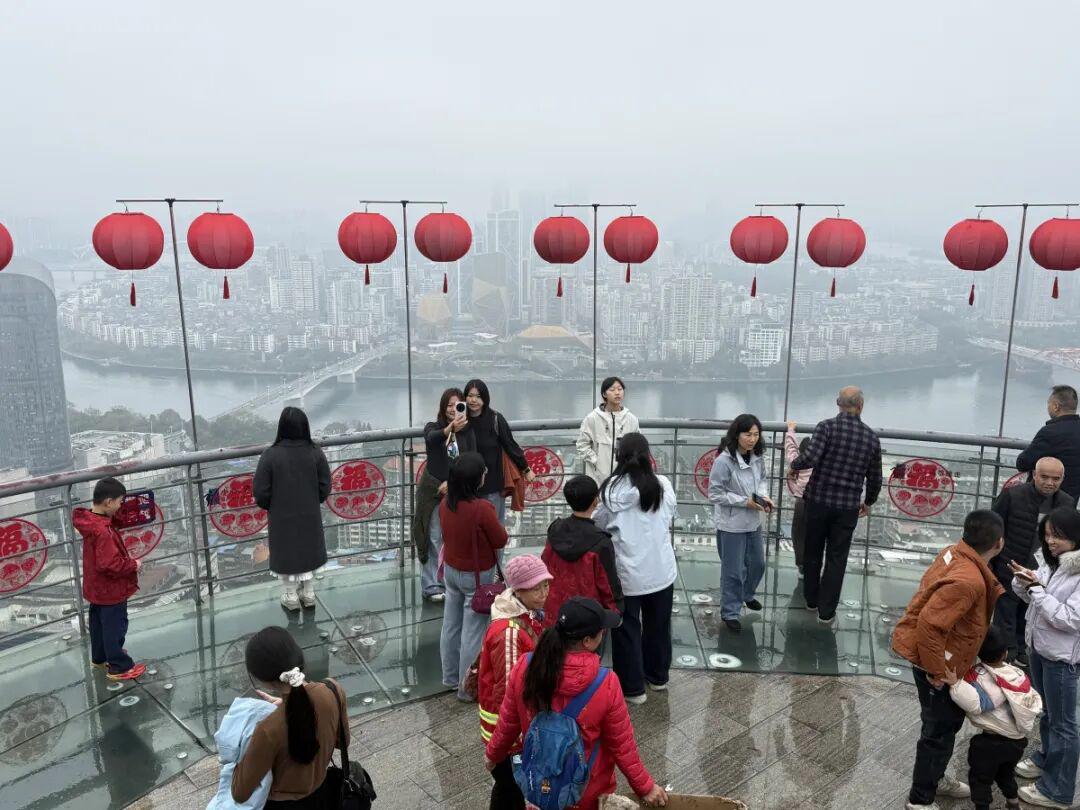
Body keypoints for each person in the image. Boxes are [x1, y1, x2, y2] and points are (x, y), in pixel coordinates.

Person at [484, 597, 669, 810]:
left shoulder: (525, 665)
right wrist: (645, 787)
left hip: (540, 787)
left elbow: (508, 723)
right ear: (587, 641)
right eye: (601, 631)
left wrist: (493, 755)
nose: (604, 633)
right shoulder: (606, 683)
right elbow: (622, 746)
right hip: (586, 793)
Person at [892, 509, 1006, 810]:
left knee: (941, 725)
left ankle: (937, 777)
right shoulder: (969, 581)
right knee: (939, 731)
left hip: (936, 656)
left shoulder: (952, 553)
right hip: (937, 664)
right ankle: (921, 799)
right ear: (999, 543)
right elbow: (930, 625)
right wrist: (937, 671)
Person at [593, 432, 677, 705]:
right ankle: (658, 677)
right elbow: (669, 514)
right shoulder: (662, 485)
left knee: (627, 629)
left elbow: (599, 524)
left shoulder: (610, 491)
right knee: (658, 626)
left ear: (619, 457)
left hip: (627, 575)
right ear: (648, 456)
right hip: (661, 571)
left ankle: (632, 689)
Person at [789, 386, 883, 624]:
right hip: (847, 507)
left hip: (818, 501)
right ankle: (826, 612)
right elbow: (875, 478)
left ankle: (811, 601)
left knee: (813, 551)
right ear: (861, 406)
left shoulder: (826, 427)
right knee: (837, 558)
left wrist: (794, 466)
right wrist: (868, 501)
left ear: (838, 404)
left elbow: (810, 458)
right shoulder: (871, 438)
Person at [230, 626, 349, 808]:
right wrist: (291, 706)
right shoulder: (333, 690)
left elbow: (239, 793)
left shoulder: (267, 730)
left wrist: (240, 747)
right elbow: (342, 742)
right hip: (325, 796)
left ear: (261, 679)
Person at [1011, 507, 1080, 809]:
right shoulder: (1052, 563)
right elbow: (1035, 599)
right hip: (1039, 650)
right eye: (1048, 534)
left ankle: (1058, 791)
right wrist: (1024, 582)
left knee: (1064, 724)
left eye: (1058, 535)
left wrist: (1037, 590)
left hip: (1062, 659)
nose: (1051, 541)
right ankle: (1046, 759)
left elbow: (1070, 619)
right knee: (1049, 714)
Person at [478, 554, 553, 810]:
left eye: (546, 585)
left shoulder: (526, 614)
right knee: (510, 787)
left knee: (508, 788)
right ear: (518, 590)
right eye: (536, 588)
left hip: (508, 728)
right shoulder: (510, 632)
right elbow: (509, 692)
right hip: (507, 732)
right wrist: (520, 734)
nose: (544, 593)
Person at [942, 625, 1042, 810]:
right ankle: (1013, 802)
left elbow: (975, 705)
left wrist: (955, 684)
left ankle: (982, 806)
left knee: (980, 779)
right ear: (1005, 653)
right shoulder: (1016, 673)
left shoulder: (981, 679)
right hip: (1017, 741)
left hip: (991, 744)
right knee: (1006, 774)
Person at [439, 451, 510, 701]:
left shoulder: (446, 504)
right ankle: (467, 689)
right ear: (476, 479)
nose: (485, 475)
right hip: (476, 576)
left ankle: (450, 678)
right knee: (473, 632)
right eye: (483, 472)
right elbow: (500, 539)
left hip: (451, 570)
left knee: (450, 625)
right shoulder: (482, 509)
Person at [991, 456, 1074, 664]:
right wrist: (992, 563)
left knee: (1029, 610)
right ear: (1034, 475)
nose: (1050, 483)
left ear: (1062, 479)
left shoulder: (1067, 502)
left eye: (1055, 478)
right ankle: (1004, 654)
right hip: (1008, 565)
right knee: (1005, 612)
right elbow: (994, 528)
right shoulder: (1012, 495)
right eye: (1044, 477)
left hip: (1044, 570)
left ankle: (1021, 651)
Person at [253, 407, 331, 611]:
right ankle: (309, 593)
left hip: (282, 516)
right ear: (305, 427)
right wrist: (312, 500)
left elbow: (260, 492)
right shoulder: (315, 452)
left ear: (281, 427)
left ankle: (290, 595)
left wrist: (273, 506)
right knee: (309, 549)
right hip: (309, 513)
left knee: (287, 552)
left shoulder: (270, 455)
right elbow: (325, 486)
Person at [73, 477, 146, 681]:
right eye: (120, 502)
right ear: (108, 502)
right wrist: (134, 565)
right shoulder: (103, 531)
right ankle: (119, 666)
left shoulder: (91, 521)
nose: (121, 505)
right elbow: (109, 564)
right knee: (115, 627)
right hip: (111, 589)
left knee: (98, 625)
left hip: (96, 587)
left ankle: (99, 658)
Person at [708, 413, 772, 632]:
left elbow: (762, 480)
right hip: (731, 524)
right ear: (737, 435)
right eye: (748, 434)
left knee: (758, 564)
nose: (752, 439)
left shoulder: (757, 457)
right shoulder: (723, 461)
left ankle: (746, 593)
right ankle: (730, 611)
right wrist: (744, 502)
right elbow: (715, 493)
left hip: (753, 520)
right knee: (733, 570)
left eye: (756, 434)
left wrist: (763, 497)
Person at [412, 387, 476, 603]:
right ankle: (431, 585)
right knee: (433, 537)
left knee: (454, 538)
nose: (452, 409)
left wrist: (453, 482)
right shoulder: (434, 427)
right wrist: (450, 429)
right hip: (432, 491)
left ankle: (450, 583)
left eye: (457, 405)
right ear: (442, 407)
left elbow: (472, 460)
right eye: (449, 405)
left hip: (456, 491)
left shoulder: (468, 431)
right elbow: (432, 439)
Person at [542, 475, 624, 628]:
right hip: (587, 616)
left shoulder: (555, 530)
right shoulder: (600, 542)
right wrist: (616, 613)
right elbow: (608, 585)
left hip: (555, 613)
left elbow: (544, 565)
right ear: (595, 501)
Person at [463, 379, 534, 524]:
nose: (473, 400)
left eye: (478, 396)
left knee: (493, 525)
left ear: (485, 398)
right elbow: (451, 450)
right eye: (470, 396)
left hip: (492, 484)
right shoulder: (460, 419)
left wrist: (526, 469)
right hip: (466, 486)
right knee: (471, 526)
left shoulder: (495, 419)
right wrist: (453, 427)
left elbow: (510, 445)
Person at [1017, 385, 1080, 499]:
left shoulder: (1050, 432)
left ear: (1056, 406)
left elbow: (1023, 463)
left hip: (1045, 499)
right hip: (1070, 500)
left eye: (1048, 404)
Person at [575, 376, 640, 484]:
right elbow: (582, 445)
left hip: (624, 476)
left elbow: (637, 445)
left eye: (620, 389)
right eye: (612, 389)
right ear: (604, 394)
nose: (617, 393)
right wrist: (596, 461)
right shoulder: (592, 418)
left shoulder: (631, 419)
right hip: (598, 477)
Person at [785, 420, 813, 577]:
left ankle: (801, 565)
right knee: (816, 534)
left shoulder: (797, 461)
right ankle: (814, 565)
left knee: (798, 534)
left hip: (801, 501)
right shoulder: (822, 461)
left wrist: (791, 429)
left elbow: (790, 448)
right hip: (819, 502)